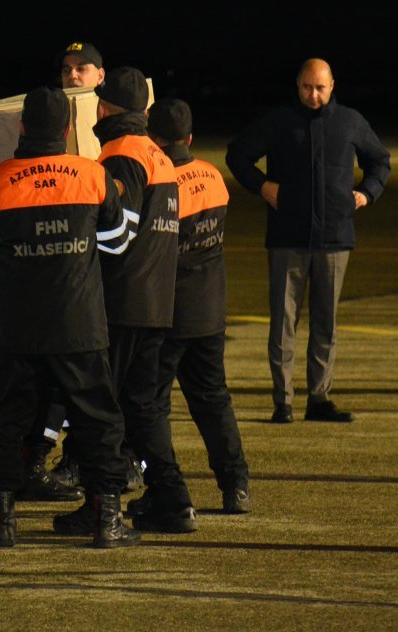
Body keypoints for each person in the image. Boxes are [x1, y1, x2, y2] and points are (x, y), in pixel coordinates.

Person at [0, 87, 140, 548]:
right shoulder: (92, 175)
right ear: (65, 129)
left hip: (14, 327)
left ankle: (3, 523)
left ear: (21, 127)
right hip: (78, 323)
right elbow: (117, 243)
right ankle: (107, 521)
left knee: (5, 419)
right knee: (97, 420)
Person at [226, 58, 390, 423]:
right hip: (287, 237)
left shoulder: (350, 122)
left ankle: (319, 399)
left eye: (319, 88)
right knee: (283, 322)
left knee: (325, 322)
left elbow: (380, 160)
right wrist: (263, 186)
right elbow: (237, 154)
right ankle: (282, 401)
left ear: (333, 86)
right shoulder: (278, 121)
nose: (313, 95)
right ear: (297, 85)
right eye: (306, 87)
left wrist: (367, 192)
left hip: (335, 237)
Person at [70, 66, 182, 532]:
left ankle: (102, 506)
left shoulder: (119, 154)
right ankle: (174, 501)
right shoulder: (157, 153)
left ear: (103, 106)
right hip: (157, 301)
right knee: (144, 409)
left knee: (103, 408)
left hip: (121, 302)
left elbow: (118, 234)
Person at [134, 98, 251, 526]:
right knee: (213, 400)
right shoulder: (213, 176)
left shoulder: (162, 183)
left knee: (150, 405)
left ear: (153, 139)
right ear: (189, 138)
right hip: (210, 307)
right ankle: (235, 484)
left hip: (168, 313)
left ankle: (164, 487)